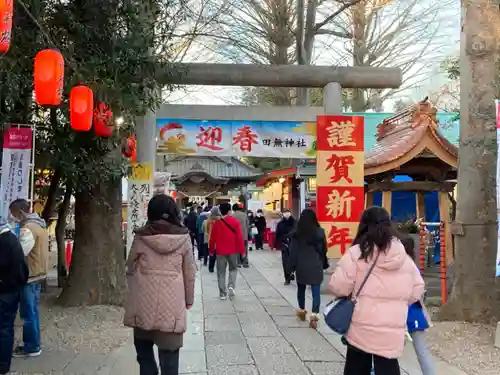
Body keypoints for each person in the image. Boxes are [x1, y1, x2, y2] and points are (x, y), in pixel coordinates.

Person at [329, 206, 425, 375]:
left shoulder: (357, 253)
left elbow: (339, 286)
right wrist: (397, 303)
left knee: (356, 367)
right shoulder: (403, 255)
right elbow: (417, 290)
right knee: (388, 367)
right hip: (392, 328)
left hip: (361, 326)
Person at [124, 194, 196, 375]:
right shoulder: (183, 238)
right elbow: (190, 273)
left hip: (143, 305)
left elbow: (130, 266)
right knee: (170, 363)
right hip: (171, 309)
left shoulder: (142, 237)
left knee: (144, 358)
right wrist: (189, 299)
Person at [9, 199, 49, 358]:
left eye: (14, 214)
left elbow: (19, 253)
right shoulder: (40, 224)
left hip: (29, 275)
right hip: (39, 273)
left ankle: (32, 347)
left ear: (21, 212)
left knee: (28, 313)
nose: (13, 218)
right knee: (33, 311)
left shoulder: (28, 229)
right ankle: (34, 343)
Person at [400, 235, 435, 375]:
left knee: (387, 352)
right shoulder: (412, 266)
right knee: (421, 351)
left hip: (405, 313)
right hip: (414, 313)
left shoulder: (401, 265)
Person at [288, 209, 327, 328]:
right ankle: (314, 315)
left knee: (301, 289)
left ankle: (301, 310)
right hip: (316, 265)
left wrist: (291, 267)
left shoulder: (296, 234)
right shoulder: (320, 232)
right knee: (316, 291)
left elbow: (293, 252)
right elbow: (324, 250)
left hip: (301, 265)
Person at [0, 218, 29, 375]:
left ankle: (3, 366)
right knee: (6, 328)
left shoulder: (4, 242)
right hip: (12, 289)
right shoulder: (11, 239)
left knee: (4, 329)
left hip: (5, 291)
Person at [209, 203, 245, 299]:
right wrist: (242, 251)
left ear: (220, 211)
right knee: (233, 269)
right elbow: (239, 238)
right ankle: (231, 286)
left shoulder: (217, 223)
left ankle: (222, 293)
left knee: (221, 272)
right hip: (233, 250)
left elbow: (212, 238)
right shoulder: (235, 223)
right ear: (230, 211)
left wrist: (211, 249)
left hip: (220, 251)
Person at [274, 208, 296, 285]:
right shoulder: (280, 224)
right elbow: (277, 234)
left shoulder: (295, 222)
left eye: (288, 212)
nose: (286, 214)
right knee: (285, 262)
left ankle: (292, 273)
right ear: (282, 214)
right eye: (285, 212)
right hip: (284, 245)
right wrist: (275, 245)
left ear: (290, 213)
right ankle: (287, 278)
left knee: (293, 261)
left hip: (293, 245)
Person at [203, 206, 221, 271]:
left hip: (211, 239)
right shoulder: (220, 219)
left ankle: (211, 268)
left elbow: (207, 230)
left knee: (211, 254)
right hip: (219, 239)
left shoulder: (208, 220)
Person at [231, 203, 249, 268]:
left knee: (237, 250)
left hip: (235, 236)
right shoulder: (244, 215)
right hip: (244, 235)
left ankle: (238, 263)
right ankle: (245, 263)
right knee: (244, 249)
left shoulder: (232, 216)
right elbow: (247, 225)